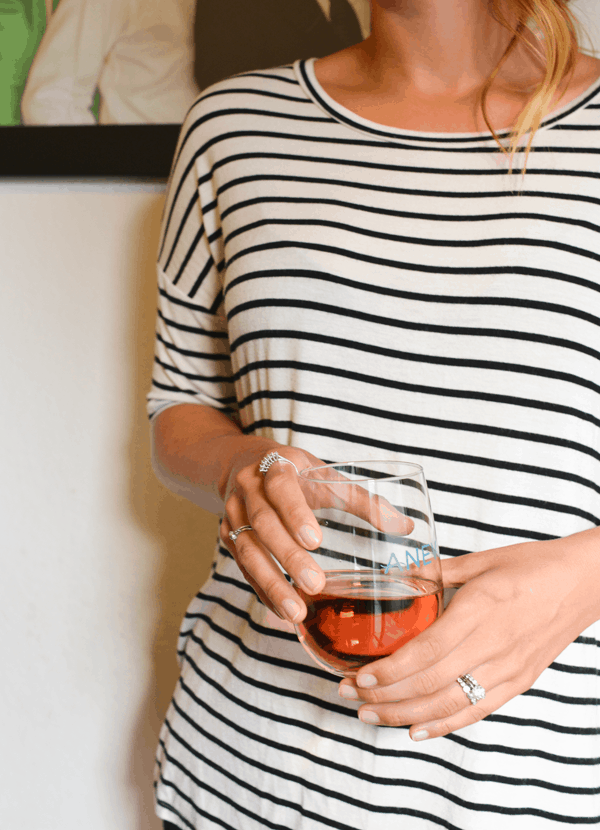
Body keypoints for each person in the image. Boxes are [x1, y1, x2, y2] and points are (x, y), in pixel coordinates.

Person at [147, 1, 600, 827]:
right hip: (249, 771)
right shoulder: (232, 128)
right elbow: (179, 409)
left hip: (542, 786)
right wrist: (241, 468)